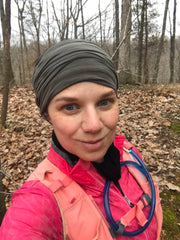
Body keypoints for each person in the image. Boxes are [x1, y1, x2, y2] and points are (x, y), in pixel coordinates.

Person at [0, 39, 162, 240]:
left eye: (104, 102)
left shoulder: (128, 153)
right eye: (70, 107)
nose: (93, 125)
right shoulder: (38, 203)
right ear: (47, 114)